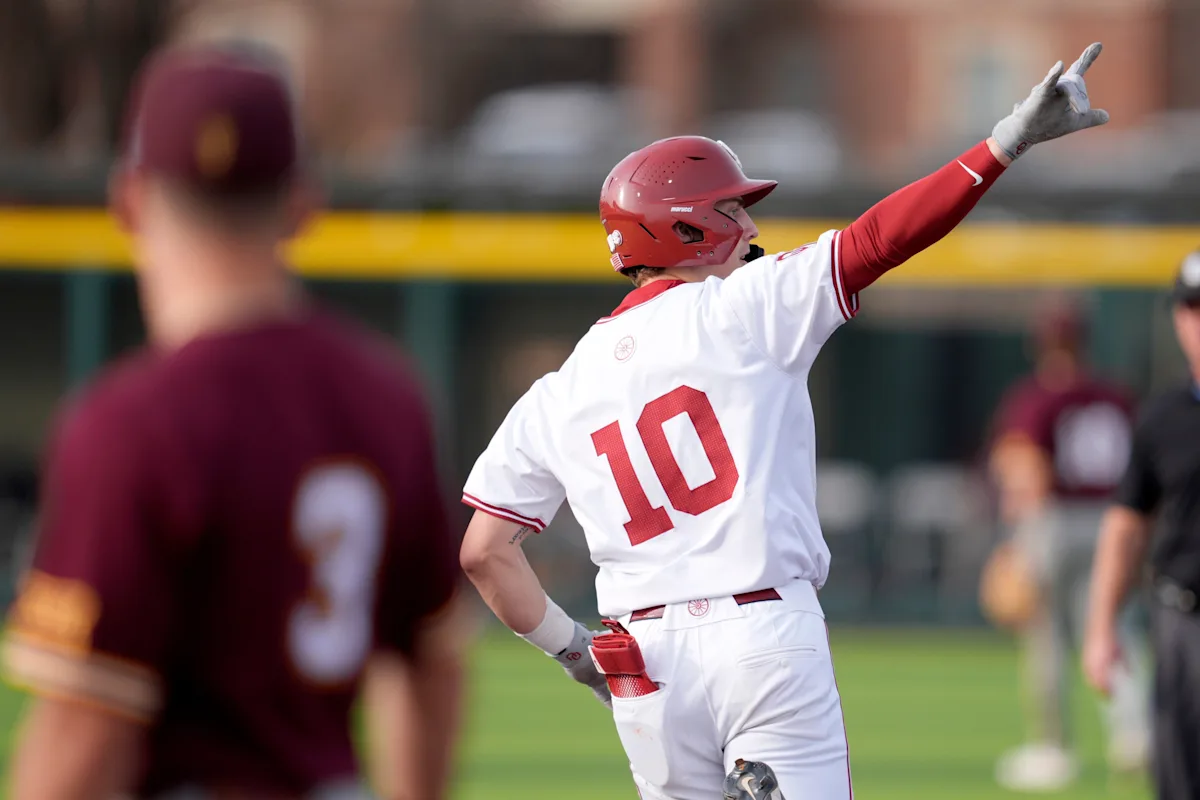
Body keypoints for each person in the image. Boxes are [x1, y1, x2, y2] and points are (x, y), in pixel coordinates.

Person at [458, 43, 1110, 800]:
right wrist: (1003, 145)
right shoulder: (746, 308)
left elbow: (484, 552)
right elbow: (880, 238)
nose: (747, 222)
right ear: (688, 228)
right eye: (731, 207)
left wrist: (576, 653)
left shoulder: (557, 390)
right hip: (761, 634)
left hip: (642, 659)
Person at [1, 44, 464, 800]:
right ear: (302, 203)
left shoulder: (128, 422)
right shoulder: (385, 395)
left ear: (127, 200)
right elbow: (432, 659)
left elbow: (86, 730)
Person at [986, 301, 1150, 791]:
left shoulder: (1037, 397)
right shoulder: (1115, 395)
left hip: (1054, 520)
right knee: (1115, 627)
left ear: (1042, 345)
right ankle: (1134, 732)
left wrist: (1015, 540)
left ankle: (1054, 750)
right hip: (1109, 522)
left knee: (1048, 638)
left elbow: (1026, 468)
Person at [1084, 249, 1200, 800]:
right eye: (1193, 308)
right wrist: (1102, 627)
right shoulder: (1163, 417)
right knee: (1178, 776)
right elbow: (1126, 526)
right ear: (1178, 318)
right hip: (1184, 620)